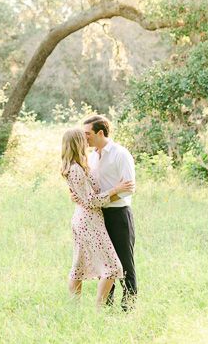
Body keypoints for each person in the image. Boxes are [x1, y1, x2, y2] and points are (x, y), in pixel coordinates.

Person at [61, 128, 134, 306]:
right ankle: (99, 309)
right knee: (113, 268)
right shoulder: (76, 169)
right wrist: (116, 190)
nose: (87, 140)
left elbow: (86, 195)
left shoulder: (82, 163)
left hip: (87, 218)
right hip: (89, 220)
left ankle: (74, 307)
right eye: (83, 138)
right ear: (78, 142)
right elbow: (92, 201)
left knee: (78, 265)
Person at [82, 114, 137, 310]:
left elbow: (129, 188)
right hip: (98, 216)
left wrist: (104, 200)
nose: (85, 137)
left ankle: (129, 307)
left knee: (124, 264)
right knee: (106, 265)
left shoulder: (120, 154)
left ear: (100, 132)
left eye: (88, 134)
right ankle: (107, 307)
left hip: (119, 214)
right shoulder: (91, 157)